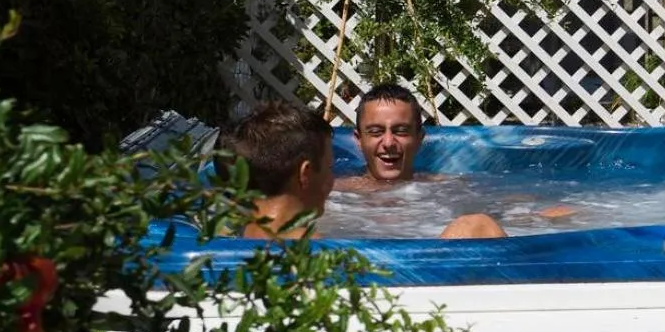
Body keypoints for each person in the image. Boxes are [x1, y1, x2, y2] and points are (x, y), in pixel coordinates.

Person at [215, 100, 507, 240]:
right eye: (328, 169)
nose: (331, 182)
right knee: (475, 226)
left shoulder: (231, 242)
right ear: (305, 175)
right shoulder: (317, 255)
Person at [335, 82, 433, 190]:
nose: (388, 143)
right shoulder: (332, 192)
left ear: (419, 138)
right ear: (359, 139)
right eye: (376, 131)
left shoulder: (441, 190)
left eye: (401, 131)